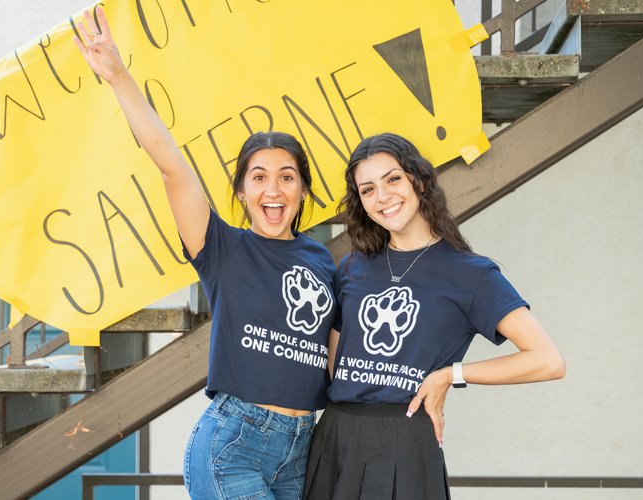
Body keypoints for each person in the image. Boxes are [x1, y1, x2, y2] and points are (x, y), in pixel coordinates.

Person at [74, 7, 336, 499]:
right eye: (258, 177)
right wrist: (118, 75)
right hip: (234, 443)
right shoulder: (224, 249)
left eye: (287, 177)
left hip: (303, 448)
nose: (273, 189)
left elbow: (339, 355)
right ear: (241, 192)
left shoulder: (321, 261)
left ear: (302, 190)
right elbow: (172, 166)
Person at [304, 133, 566, 500]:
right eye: (367, 190)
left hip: (406, 443)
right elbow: (335, 362)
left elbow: (548, 361)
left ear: (419, 180)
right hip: (335, 439)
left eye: (393, 179)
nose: (382, 197)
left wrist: (450, 375)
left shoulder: (471, 274)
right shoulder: (351, 267)